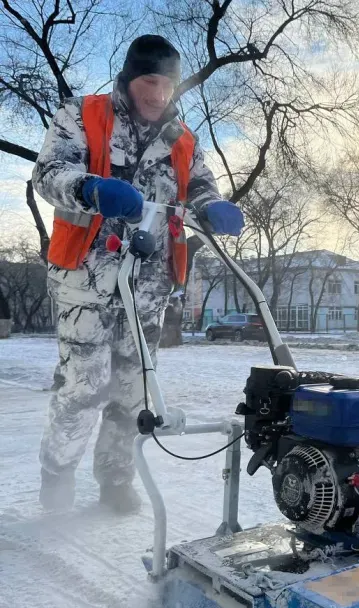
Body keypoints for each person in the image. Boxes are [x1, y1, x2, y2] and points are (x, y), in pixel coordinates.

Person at [32, 35, 244, 513]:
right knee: (86, 385)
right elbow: (48, 173)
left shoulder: (182, 140)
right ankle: (57, 476)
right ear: (129, 79)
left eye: (167, 85)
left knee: (134, 390)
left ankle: (115, 479)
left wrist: (213, 210)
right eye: (150, 81)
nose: (158, 94)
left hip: (149, 285)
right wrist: (90, 189)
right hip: (87, 274)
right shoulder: (83, 114)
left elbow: (200, 190)